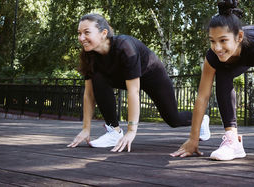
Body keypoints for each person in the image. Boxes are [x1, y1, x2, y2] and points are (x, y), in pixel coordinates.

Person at [171, 0, 254, 166]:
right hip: (234, 58)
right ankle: (232, 141)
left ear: (239, 37)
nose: (217, 48)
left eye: (223, 40)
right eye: (212, 41)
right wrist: (193, 139)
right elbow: (202, 97)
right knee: (222, 74)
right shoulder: (213, 56)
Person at [67, 13, 210, 152]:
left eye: (86, 32)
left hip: (152, 76)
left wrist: (131, 131)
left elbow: (133, 91)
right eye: (79, 33)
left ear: (103, 33)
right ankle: (114, 131)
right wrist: (86, 129)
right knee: (97, 79)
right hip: (122, 77)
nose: (81, 38)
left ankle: (201, 118)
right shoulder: (89, 55)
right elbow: (89, 94)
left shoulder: (125, 47)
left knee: (173, 119)